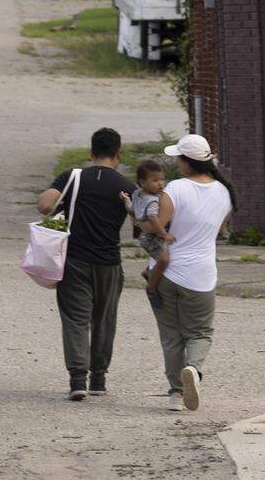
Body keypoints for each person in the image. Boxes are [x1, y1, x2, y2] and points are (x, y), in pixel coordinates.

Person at [37, 126, 136, 401]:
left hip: (74, 260)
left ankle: (78, 379)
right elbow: (143, 219)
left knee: (76, 319)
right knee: (104, 320)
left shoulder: (72, 177)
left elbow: (44, 206)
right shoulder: (126, 186)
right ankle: (99, 379)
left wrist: (62, 202)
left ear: (91, 152)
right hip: (109, 263)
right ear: (118, 154)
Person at [151, 132, 237, 413]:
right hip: (201, 274)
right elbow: (220, 230)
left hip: (166, 273)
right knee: (200, 332)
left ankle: (176, 392)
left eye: (178, 157)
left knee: (171, 335)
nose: (176, 162)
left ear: (187, 161)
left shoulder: (174, 189)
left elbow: (157, 229)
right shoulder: (224, 192)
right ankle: (193, 368)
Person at [121, 158, 172, 297]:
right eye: (155, 181)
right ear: (143, 182)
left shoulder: (138, 193)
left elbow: (131, 209)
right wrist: (163, 234)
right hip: (150, 237)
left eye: (162, 179)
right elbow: (153, 218)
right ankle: (152, 285)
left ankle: (149, 270)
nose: (160, 183)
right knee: (164, 260)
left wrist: (126, 200)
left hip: (144, 235)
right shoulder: (153, 200)